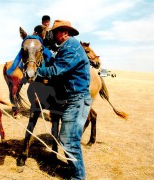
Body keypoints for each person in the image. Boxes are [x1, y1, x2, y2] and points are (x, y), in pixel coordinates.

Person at [36, 20, 92, 180]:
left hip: (77, 99)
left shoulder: (71, 47)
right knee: (67, 138)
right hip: (73, 99)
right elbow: (56, 63)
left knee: (69, 139)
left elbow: (56, 70)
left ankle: (78, 177)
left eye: (65, 31)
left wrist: (36, 71)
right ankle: (73, 170)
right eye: (59, 31)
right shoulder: (66, 48)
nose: (62, 34)